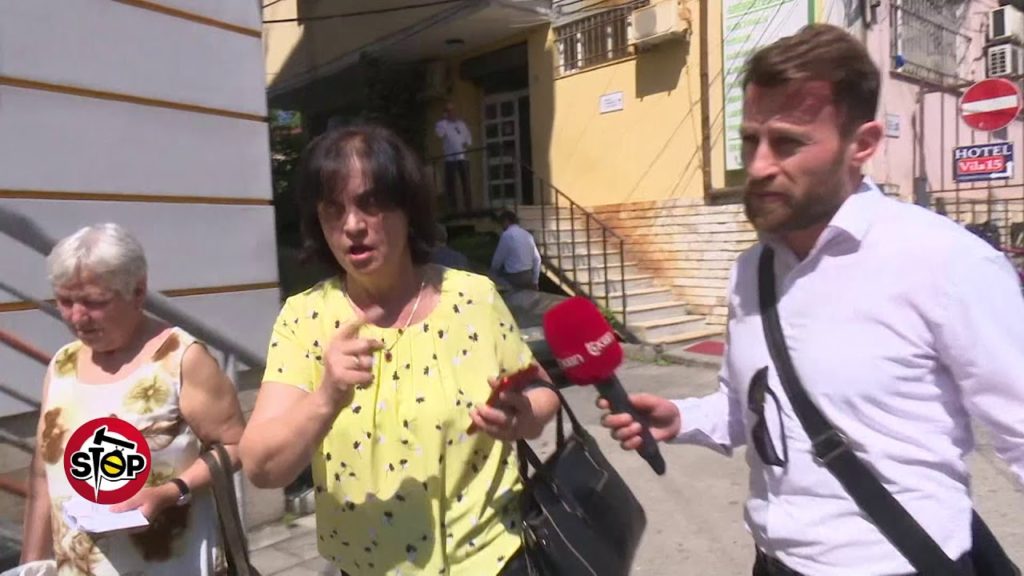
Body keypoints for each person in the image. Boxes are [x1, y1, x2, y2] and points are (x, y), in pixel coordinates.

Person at [599, 24, 1024, 576]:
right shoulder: (752, 270)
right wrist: (682, 417)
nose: (758, 166)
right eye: (750, 140)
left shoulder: (947, 265)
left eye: (788, 143)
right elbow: (751, 408)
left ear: (862, 144)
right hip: (773, 563)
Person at [238, 124, 560, 576]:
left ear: (408, 209)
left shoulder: (474, 298)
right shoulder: (305, 318)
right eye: (334, 209)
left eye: (370, 203)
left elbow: (542, 390)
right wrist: (326, 397)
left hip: (496, 558)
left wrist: (524, 417)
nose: (352, 225)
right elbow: (261, 466)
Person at [20, 223, 245, 575]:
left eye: (95, 302)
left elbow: (237, 446)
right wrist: (30, 564)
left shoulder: (181, 359)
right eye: (65, 301)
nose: (77, 317)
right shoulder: (61, 366)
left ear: (138, 291)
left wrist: (171, 492)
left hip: (169, 564)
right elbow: (42, 474)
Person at [435, 102, 473, 212]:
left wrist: (467, 143)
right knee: (451, 184)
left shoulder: (461, 124)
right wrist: (445, 120)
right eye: (449, 111)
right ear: (446, 113)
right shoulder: (442, 124)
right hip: (450, 158)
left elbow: (468, 136)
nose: (452, 113)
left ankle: (468, 207)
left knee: (466, 182)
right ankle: (453, 208)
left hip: (462, 157)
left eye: (453, 111)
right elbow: (439, 134)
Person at [489, 211, 541, 291]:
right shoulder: (527, 235)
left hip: (514, 278)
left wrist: (492, 273)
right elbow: (537, 259)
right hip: (528, 275)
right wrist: (535, 281)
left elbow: (498, 259)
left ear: (506, 221)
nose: (502, 227)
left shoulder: (507, 235)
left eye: (502, 224)